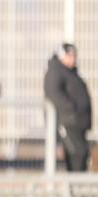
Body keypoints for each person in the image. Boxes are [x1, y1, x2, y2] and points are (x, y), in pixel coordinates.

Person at [45, 43, 93, 172]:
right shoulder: (56, 71)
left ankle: (77, 184)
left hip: (78, 124)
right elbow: (54, 92)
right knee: (77, 154)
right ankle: (74, 184)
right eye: (69, 56)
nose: (73, 59)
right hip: (68, 122)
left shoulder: (72, 73)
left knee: (82, 156)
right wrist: (71, 108)